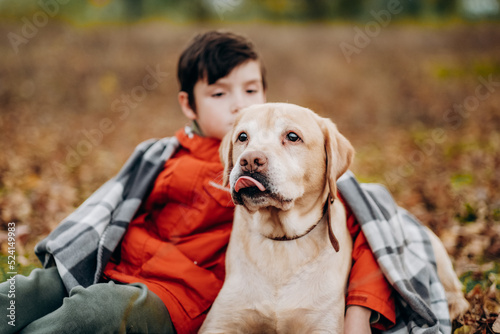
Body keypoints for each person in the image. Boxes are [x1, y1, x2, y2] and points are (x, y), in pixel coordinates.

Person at [0, 31, 395, 334]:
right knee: (25, 292)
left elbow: (374, 237)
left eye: (251, 91)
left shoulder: (300, 171)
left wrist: (358, 311)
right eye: (219, 93)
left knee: (91, 313)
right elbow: (114, 209)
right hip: (116, 265)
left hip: (176, 291)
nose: (239, 106)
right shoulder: (162, 154)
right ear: (188, 104)